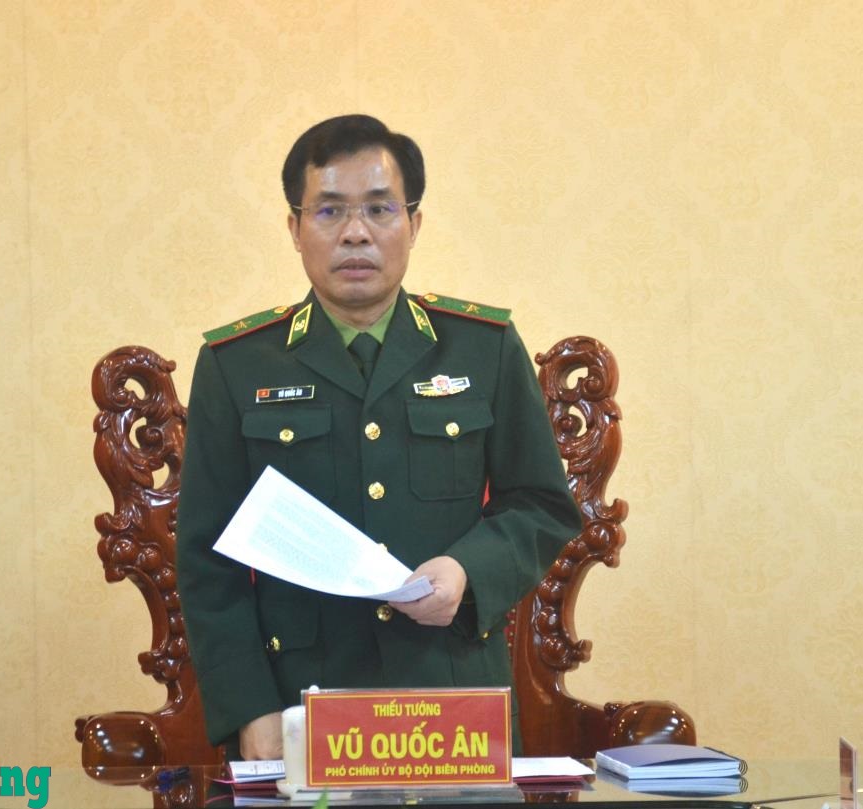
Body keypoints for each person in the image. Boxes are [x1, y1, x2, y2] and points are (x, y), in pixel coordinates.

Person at [175, 114, 582, 760]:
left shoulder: (484, 349)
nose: (356, 232)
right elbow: (206, 558)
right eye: (329, 210)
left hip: (453, 710)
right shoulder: (238, 366)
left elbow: (542, 505)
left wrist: (466, 570)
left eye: (379, 208)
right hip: (299, 709)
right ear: (295, 229)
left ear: (414, 224)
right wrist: (249, 708)